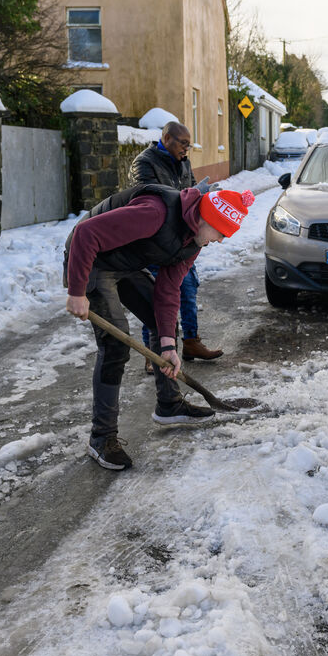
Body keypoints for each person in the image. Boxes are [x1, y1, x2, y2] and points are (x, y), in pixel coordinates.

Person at [65, 182, 255, 470]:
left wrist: (168, 345)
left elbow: (168, 290)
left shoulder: (193, 241)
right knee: (115, 344)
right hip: (91, 259)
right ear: (207, 220)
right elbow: (85, 233)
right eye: (220, 233)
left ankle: (169, 403)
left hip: (125, 262)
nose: (220, 241)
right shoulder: (155, 212)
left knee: (164, 321)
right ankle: (101, 437)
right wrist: (77, 291)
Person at [131, 120, 223, 363]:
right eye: (183, 143)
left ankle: (191, 343)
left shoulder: (183, 163)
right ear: (167, 138)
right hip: (153, 242)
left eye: (189, 145)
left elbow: (191, 191)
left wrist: (202, 194)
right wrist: (189, 195)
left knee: (188, 290)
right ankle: (153, 354)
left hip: (181, 241)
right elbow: (150, 198)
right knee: (155, 298)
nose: (187, 149)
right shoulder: (144, 162)